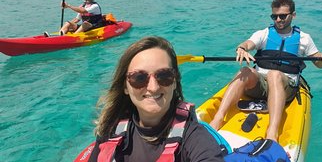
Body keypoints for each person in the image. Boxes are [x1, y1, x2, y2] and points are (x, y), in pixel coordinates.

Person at [75, 36, 224, 162]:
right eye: (139, 78)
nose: (153, 87)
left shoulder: (195, 138)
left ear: (174, 82)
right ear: (125, 87)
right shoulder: (110, 128)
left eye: (164, 76)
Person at [209, 0, 322, 142]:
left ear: (293, 15)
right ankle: (218, 118)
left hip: (286, 86)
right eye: (275, 16)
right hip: (261, 84)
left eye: (282, 16)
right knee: (245, 71)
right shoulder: (264, 34)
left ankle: (272, 132)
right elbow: (248, 43)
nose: (278, 20)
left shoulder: (304, 38)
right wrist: (241, 48)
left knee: (275, 75)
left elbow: (318, 63)